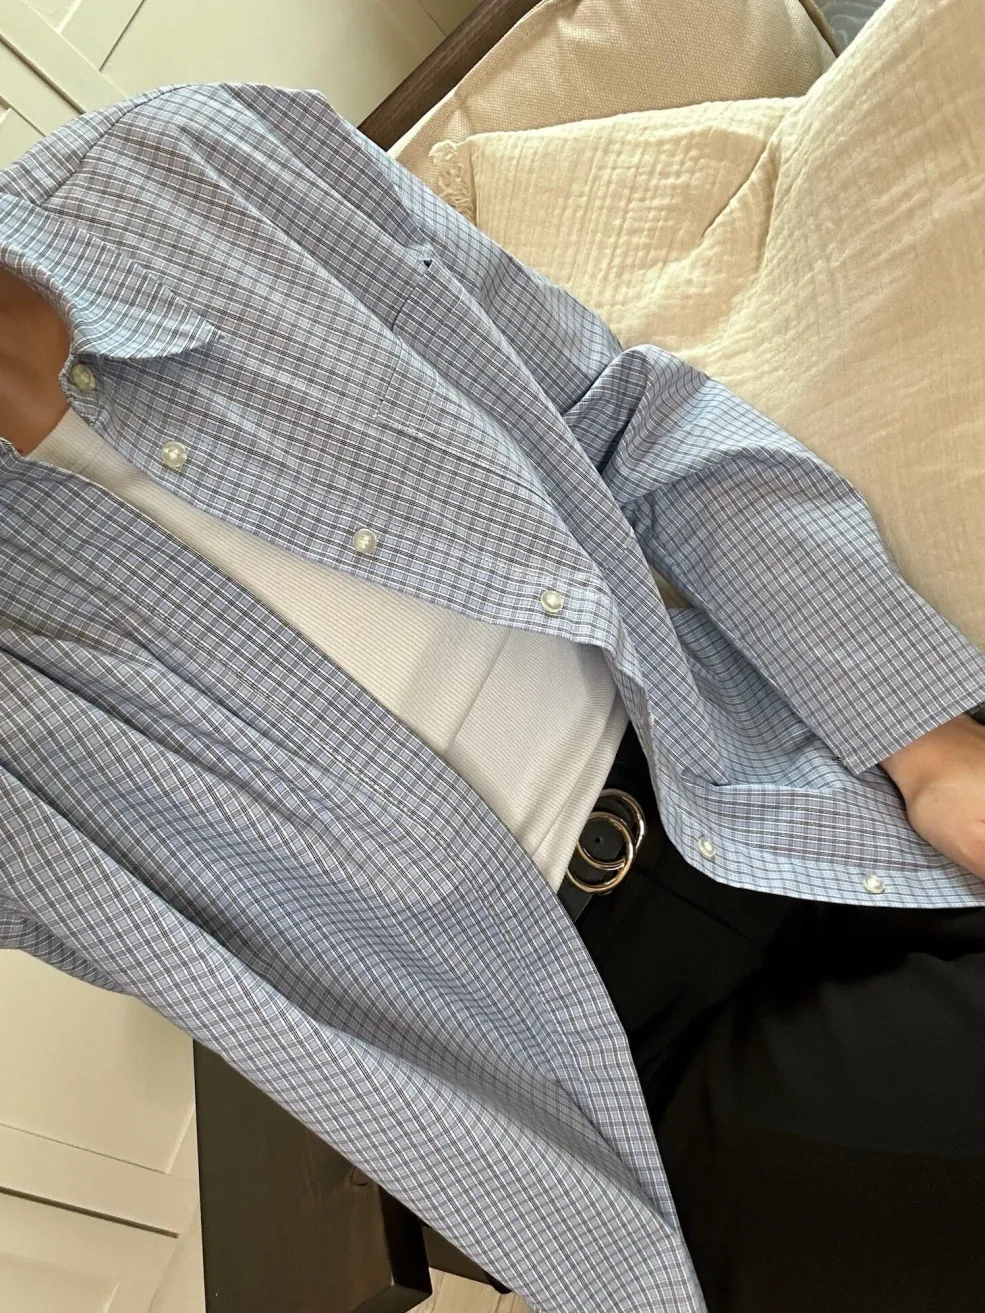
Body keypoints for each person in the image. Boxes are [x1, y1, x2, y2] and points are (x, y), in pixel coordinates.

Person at [1, 82, 984, 1313]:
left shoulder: (211, 163)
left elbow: (621, 413)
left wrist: (926, 745)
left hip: (774, 762)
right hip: (602, 1072)